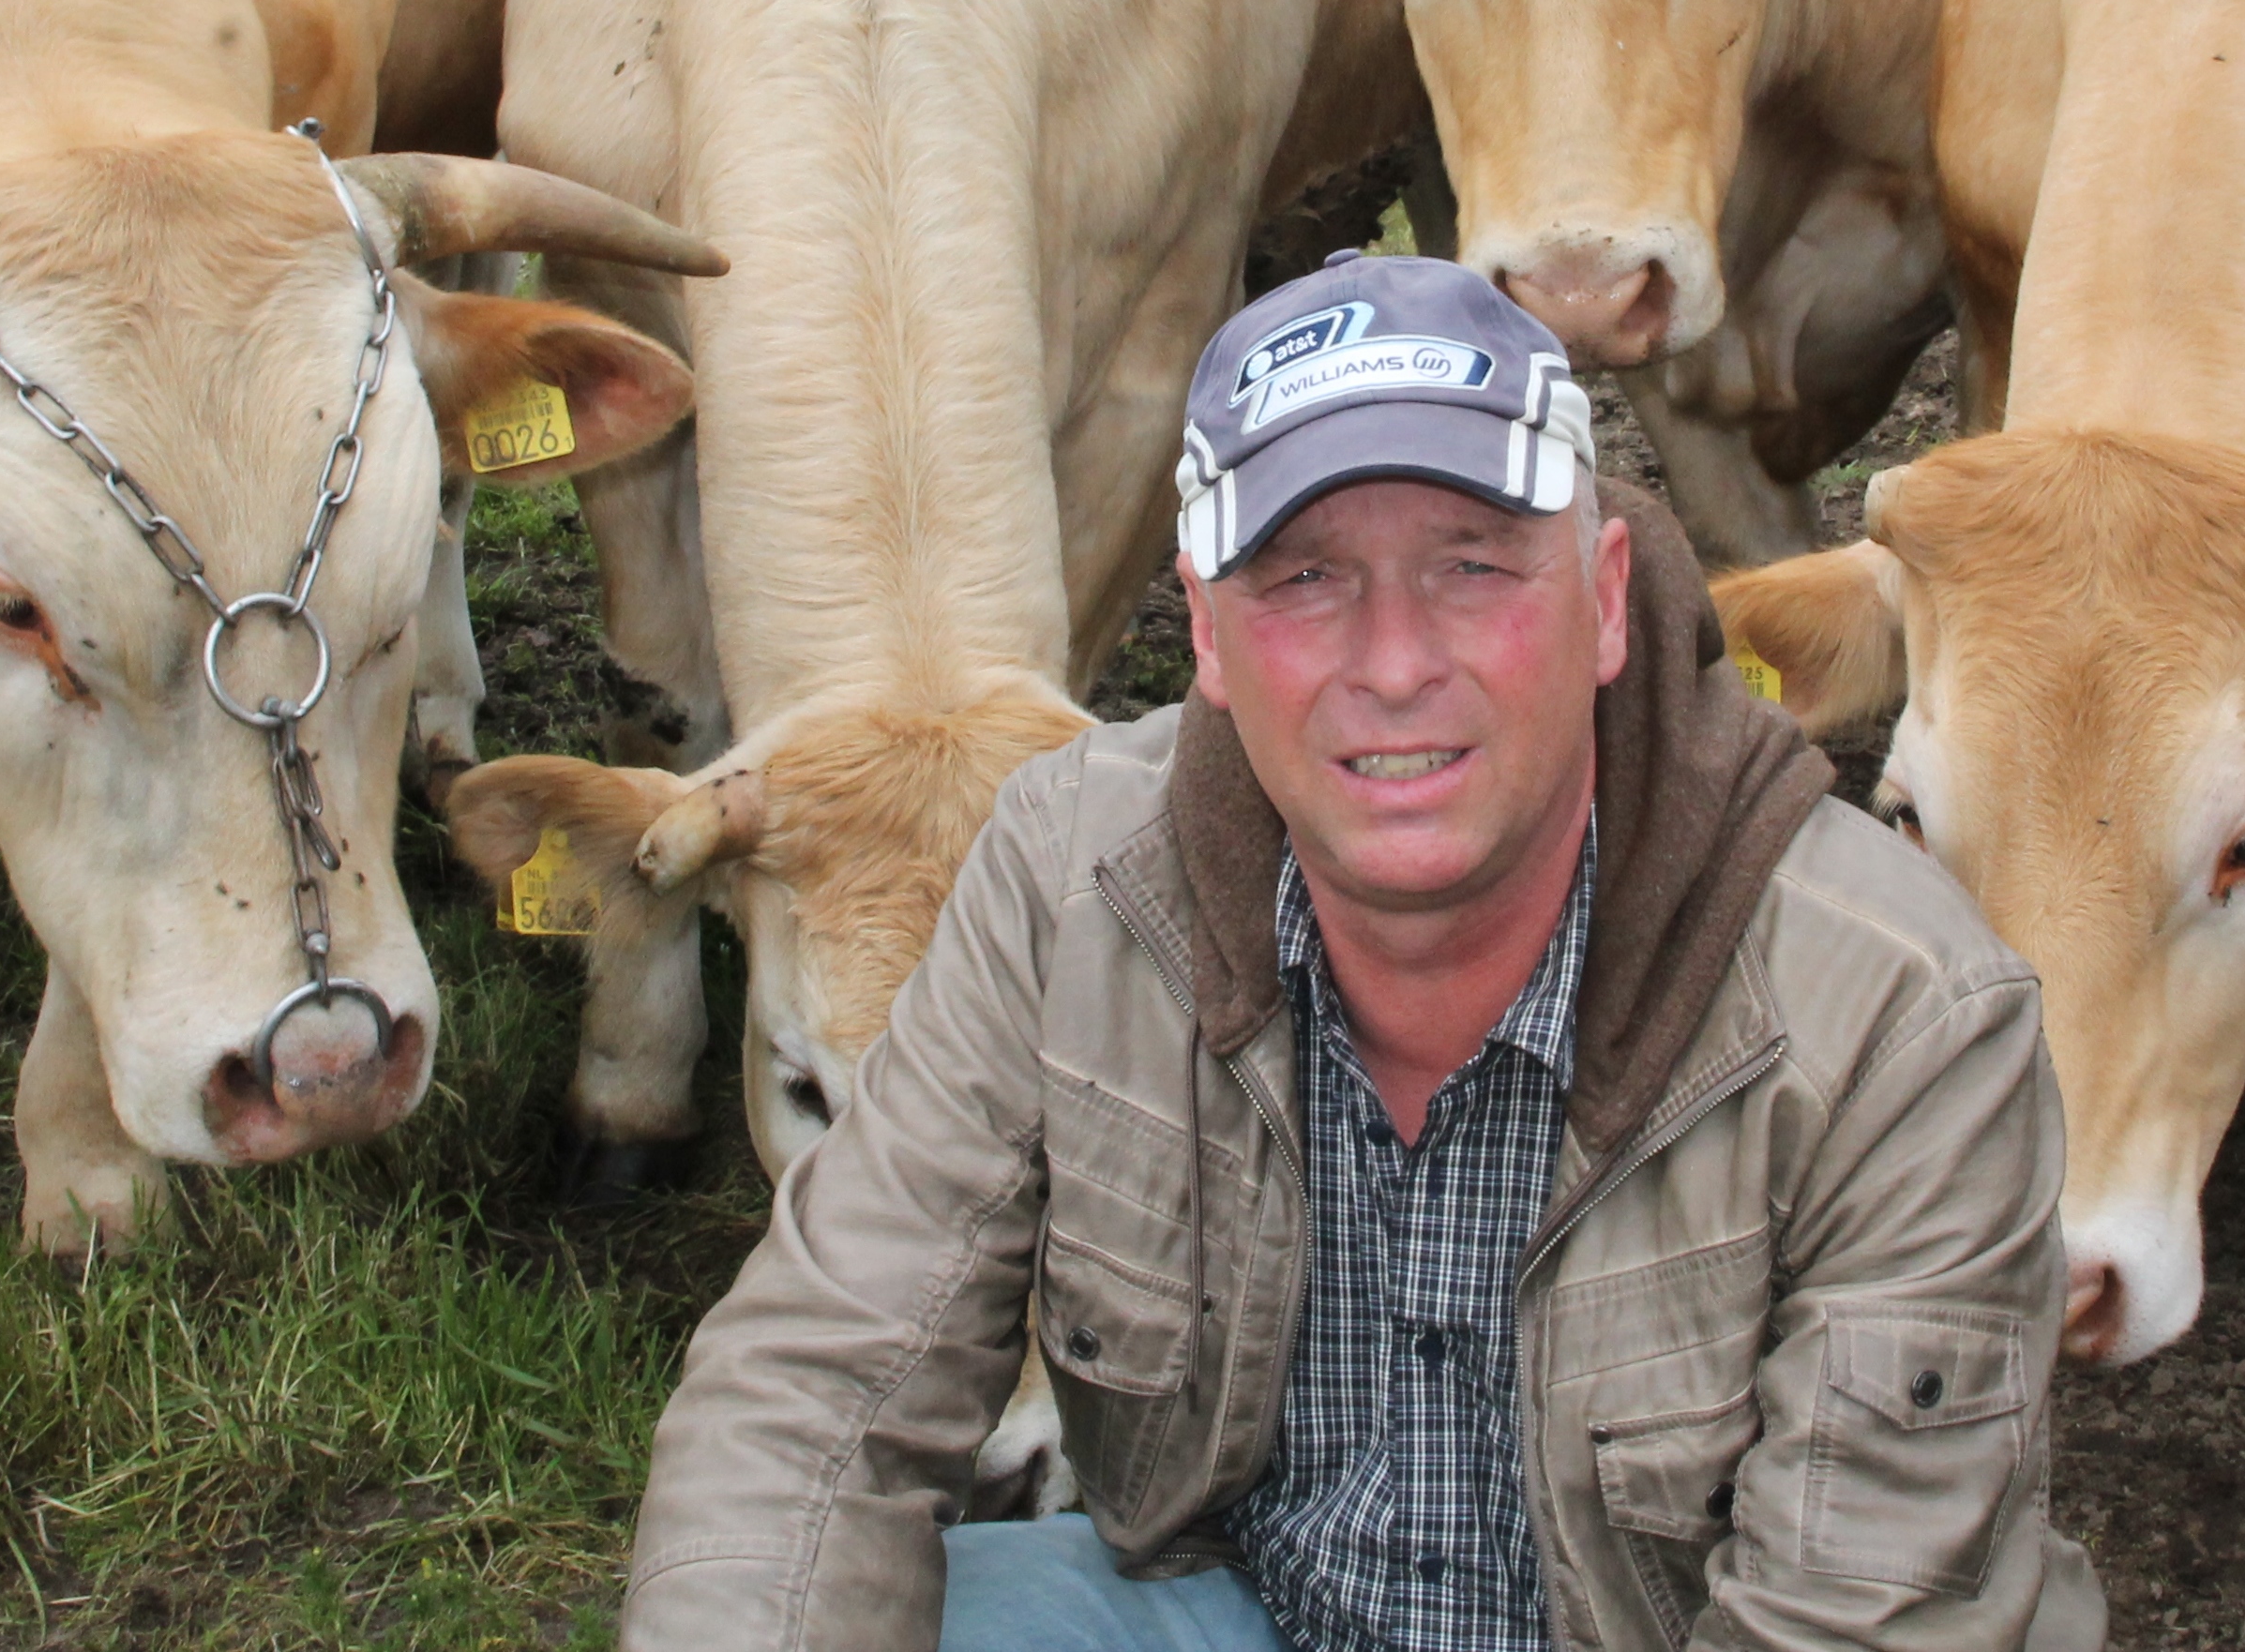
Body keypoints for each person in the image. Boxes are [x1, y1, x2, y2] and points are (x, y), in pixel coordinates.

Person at [620, 252, 2104, 1652]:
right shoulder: (1068, 877)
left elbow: (1848, 1616)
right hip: (1251, 1609)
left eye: (1470, 563)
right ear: (1203, 630)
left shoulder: (1900, 1019)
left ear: (1599, 600)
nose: (1392, 664)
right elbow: (816, 1391)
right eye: (1305, 577)